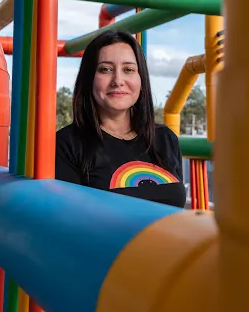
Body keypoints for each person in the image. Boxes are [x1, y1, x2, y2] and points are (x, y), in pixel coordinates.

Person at [55, 30, 186, 208]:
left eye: (128, 69)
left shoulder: (165, 138)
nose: (118, 80)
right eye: (105, 69)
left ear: (141, 79)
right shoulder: (66, 144)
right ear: (89, 78)